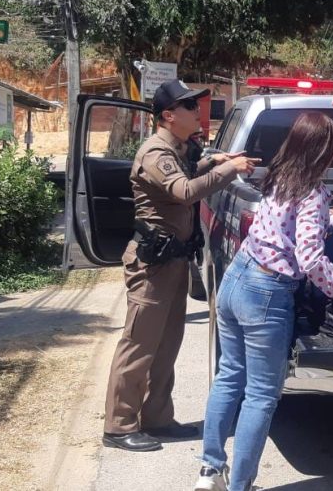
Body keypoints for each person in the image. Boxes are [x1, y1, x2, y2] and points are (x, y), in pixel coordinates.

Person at [195, 112, 333, 491]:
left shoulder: (280, 178)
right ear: (322, 151)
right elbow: (310, 260)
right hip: (266, 294)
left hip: (237, 278)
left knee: (230, 376)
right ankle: (240, 486)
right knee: (261, 396)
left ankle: (210, 472)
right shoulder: (312, 193)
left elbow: (288, 227)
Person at [102, 79, 259, 453]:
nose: (196, 110)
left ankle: (157, 419)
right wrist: (229, 168)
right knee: (139, 345)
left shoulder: (178, 150)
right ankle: (119, 426)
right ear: (169, 115)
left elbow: (187, 172)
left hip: (173, 260)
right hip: (152, 266)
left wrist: (211, 161)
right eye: (189, 106)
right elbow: (184, 191)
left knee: (166, 345)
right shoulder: (155, 152)